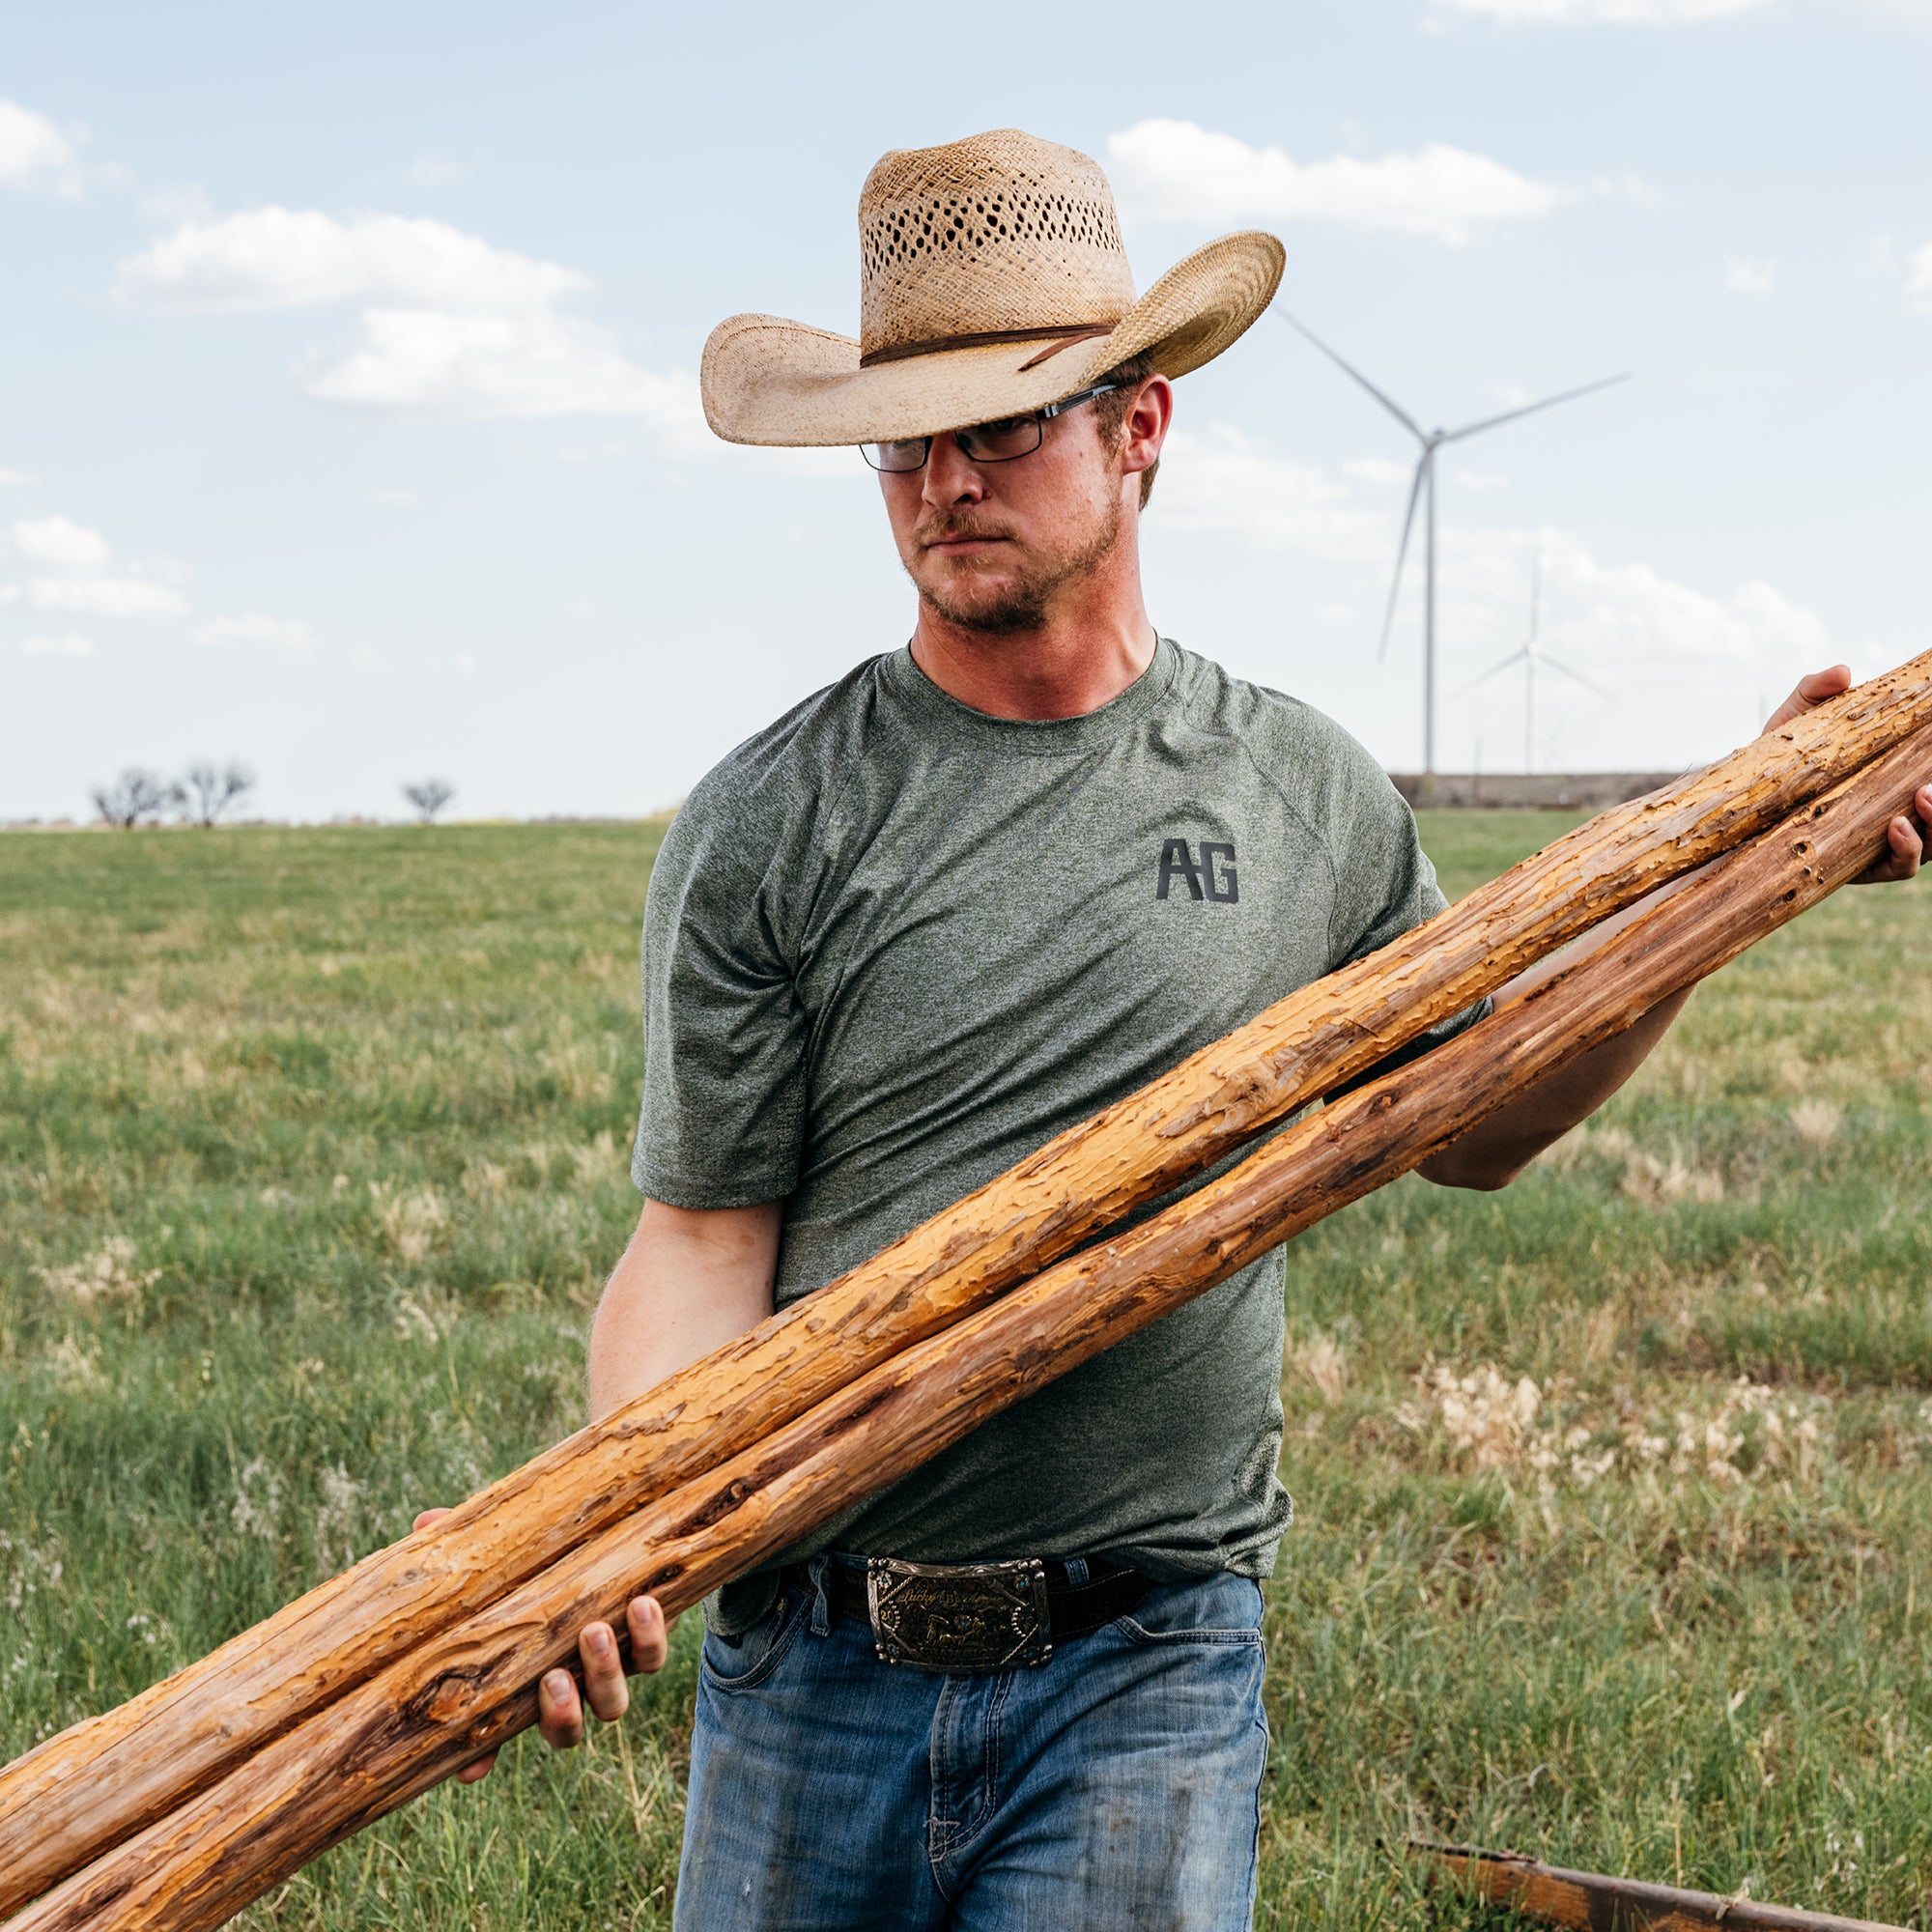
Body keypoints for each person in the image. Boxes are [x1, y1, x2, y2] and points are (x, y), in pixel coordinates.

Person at [425, 128, 1929, 1929]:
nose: (943, 484)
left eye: (1006, 426)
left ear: (1142, 429)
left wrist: (1722, 891)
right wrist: (620, 1516)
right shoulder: (772, 819)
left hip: (1141, 1664)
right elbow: (698, 1241)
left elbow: (1485, 1119)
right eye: (905, 440)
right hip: (812, 1659)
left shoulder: (1303, 796)